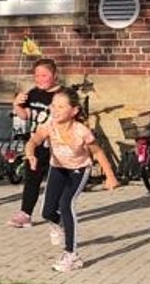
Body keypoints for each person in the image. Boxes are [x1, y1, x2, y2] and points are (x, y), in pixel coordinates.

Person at [25, 88, 118, 272]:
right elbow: (33, 141)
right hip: (58, 168)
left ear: (74, 111)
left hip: (78, 170)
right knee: (47, 211)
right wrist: (30, 155)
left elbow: (98, 152)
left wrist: (110, 176)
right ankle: (61, 225)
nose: (55, 110)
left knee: (66, 204)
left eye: (61, 106)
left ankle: (72, 255)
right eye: (53, 106)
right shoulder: (49, 125)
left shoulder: (81, 131)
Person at [8, 58, 63, 228]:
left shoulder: (62, 95)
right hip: (36, 144)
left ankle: (58, 212)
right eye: (36, 75)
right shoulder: (33, 93)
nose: (40, 79)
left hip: (57, 145)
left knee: (58, 180)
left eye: (44, 75)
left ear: (54, 75)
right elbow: (25, 115)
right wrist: (16, 104)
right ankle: (25, 213)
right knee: (32, 178)